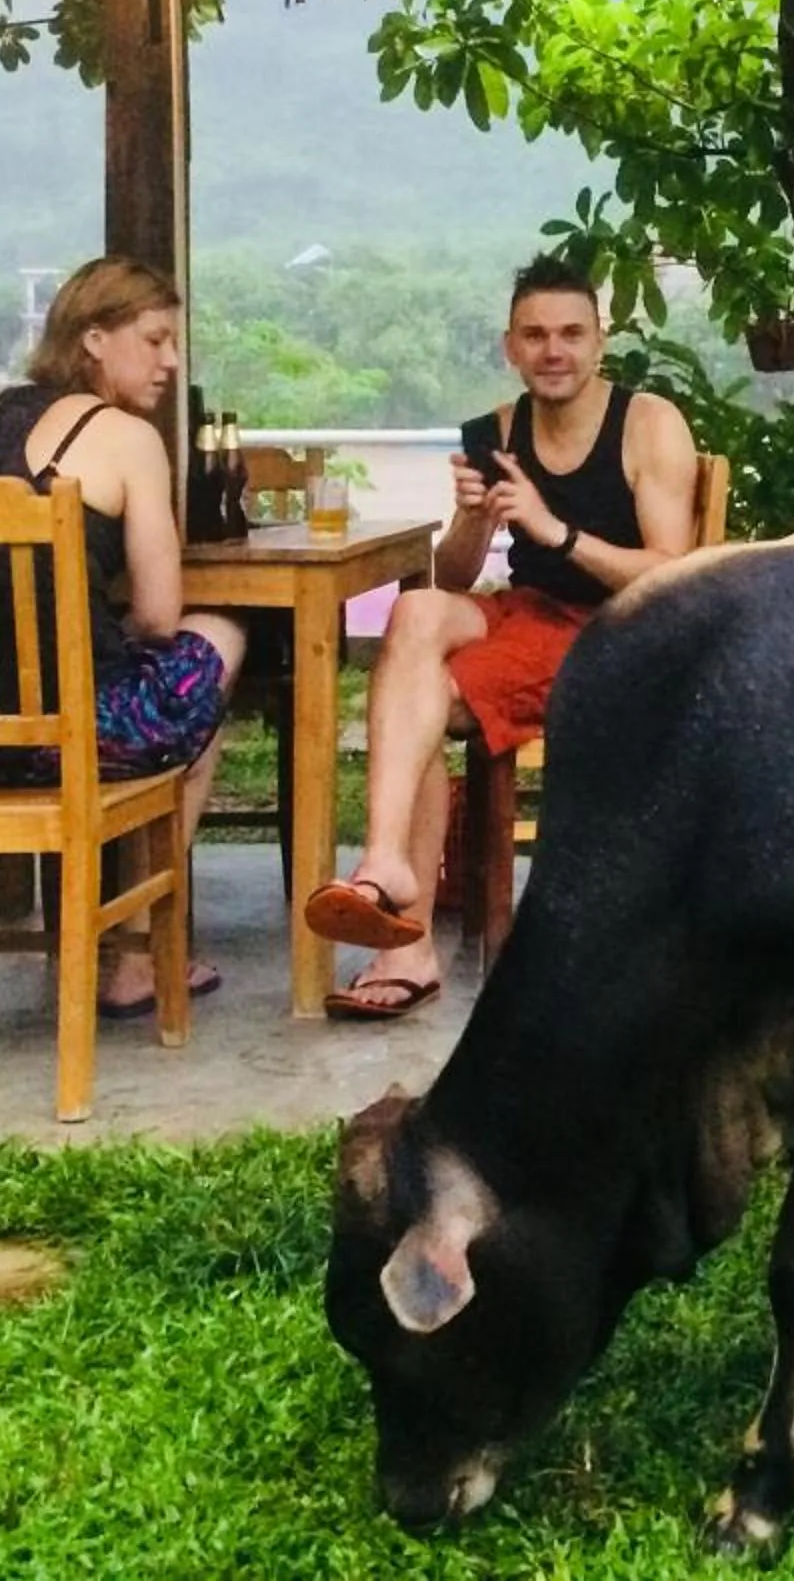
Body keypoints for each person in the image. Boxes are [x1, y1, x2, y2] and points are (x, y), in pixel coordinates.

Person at [304, 255, 701, 1019]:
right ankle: (385, 863)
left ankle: (405, 942)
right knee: (416, 615)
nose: (554, 350)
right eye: (536, 335)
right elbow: (453, 575)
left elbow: (672, 576)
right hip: (525, 614)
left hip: (618, 633)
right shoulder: (498, 430)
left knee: (412, 704)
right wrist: (473, 518)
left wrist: (555, 531)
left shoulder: (648, 425)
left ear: (600, 341)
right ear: (510, 346)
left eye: (571, 334)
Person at [0, 256, 246, 1019]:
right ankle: (136, 954)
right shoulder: (127, 437)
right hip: (64, 740)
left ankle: (109, 929)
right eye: (155, 339)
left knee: (153, 694)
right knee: (215, 649)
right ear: (94, 339)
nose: (172, 361)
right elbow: (160, 617)